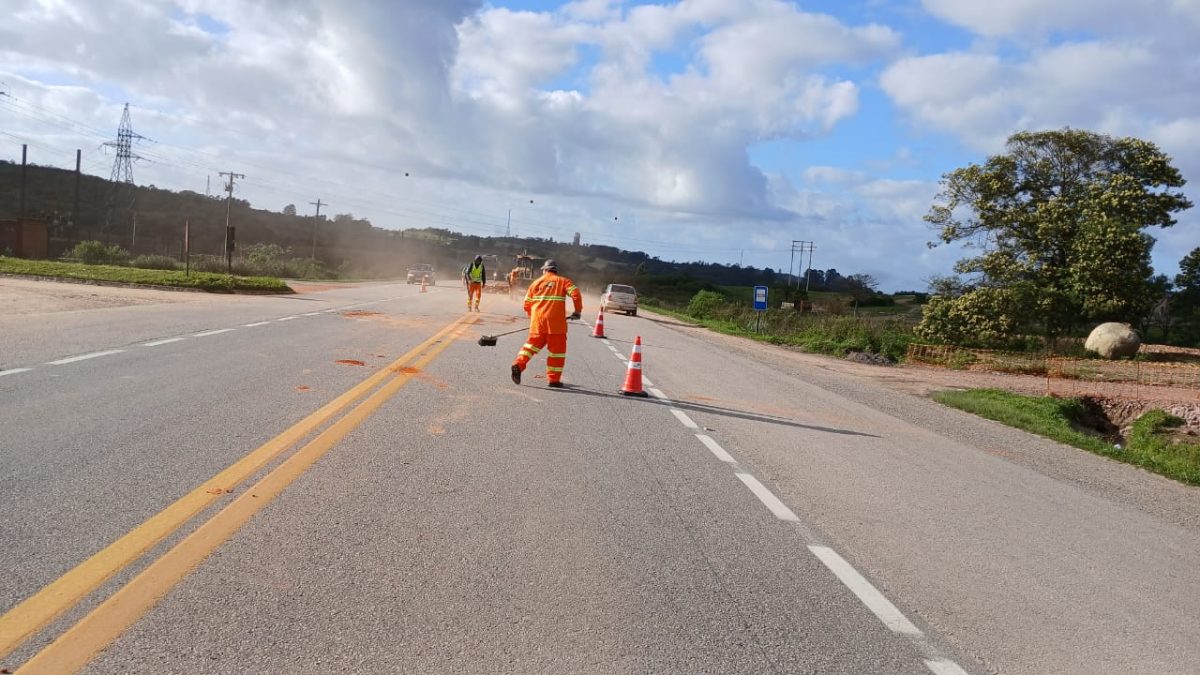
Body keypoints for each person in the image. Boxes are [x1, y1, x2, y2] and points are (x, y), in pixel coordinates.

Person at [511, 259, 582, 388]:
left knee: (529, 348)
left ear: (544, 270)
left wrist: (533, 319)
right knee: (557, 353)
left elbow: (527, 304)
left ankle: (518, 364)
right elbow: (576, 293)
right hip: (556, 326)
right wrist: (577, 311)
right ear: (555, 270)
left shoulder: (535, 283)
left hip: (538, 323)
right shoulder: (563, 281)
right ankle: (553, 380)